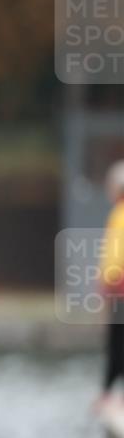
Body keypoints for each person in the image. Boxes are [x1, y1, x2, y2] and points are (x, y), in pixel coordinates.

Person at [99, 160, 124, 409]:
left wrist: (108, 283)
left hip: (120, 289)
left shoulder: (119, 215)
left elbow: (116, 255)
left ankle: (108, 393)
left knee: (117, 340)